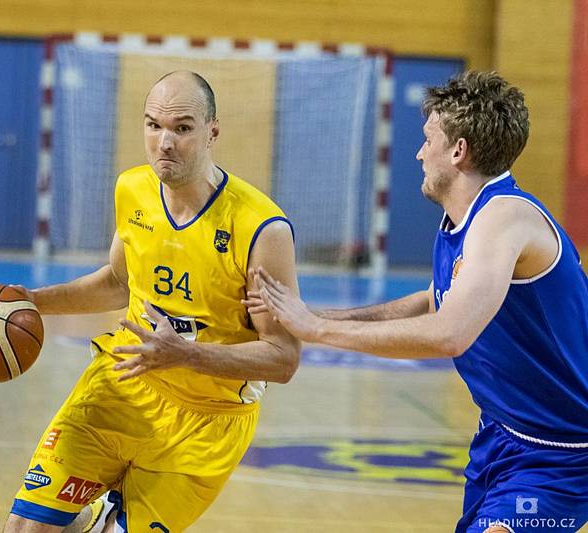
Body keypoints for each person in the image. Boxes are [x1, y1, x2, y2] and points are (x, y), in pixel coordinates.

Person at [247, 70, 588, 533]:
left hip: (562, 451)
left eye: (429, 139)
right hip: (502, 434)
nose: (419, 152)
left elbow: (449, 333)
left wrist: (317, 331)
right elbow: (434, 302)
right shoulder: (463, 219)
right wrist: (316, 314)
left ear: (459, 150)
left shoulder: (503, 218)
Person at [4, 70, 301, 533]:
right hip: (121, 384)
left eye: (182, 128)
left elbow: (283, 359)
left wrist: (185, 354)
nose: (165, 142)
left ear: (212, 132)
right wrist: (35, 300)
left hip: (207, 423)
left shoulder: (263, 228)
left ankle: (103, 517)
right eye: (153, 125)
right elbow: (120, 283)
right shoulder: (132, 189)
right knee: (25, 529)